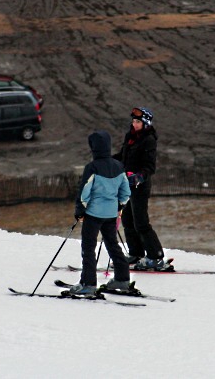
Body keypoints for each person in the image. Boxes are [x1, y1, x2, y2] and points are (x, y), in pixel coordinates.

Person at [70, 130, 132, 296]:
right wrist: (119, 207)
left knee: (89, 247)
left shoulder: (92, 167)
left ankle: (88, 283)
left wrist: (80, 211)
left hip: (93, 215)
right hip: (111, 215)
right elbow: (126, 192)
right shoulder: (118, 166)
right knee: (112, 244)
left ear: (94, 148)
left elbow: (85, 192)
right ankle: (122, 279)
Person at [113, 106, 170, 271]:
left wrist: (138, 177)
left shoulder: (148, 140)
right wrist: (106, 160)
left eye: (138, 121)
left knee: (141, 223)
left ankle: (156, 257)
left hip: (139, 187)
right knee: (128, 221)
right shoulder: (130, 136)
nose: (134, 124)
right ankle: (136, 253)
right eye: (133, 121)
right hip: (126, 185)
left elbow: (150, 166)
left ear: (145, 123)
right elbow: (122, 156)